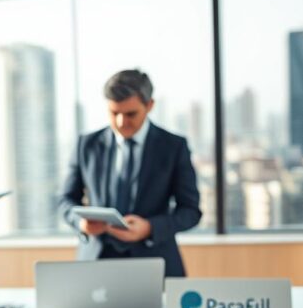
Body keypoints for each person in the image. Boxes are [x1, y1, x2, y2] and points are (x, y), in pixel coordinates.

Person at [58, 69, 201, 277]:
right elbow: (65, 200)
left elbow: (190, 211)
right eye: (114, 113)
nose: (121, 122)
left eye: (130, 114)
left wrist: (150, 228)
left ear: (150, 106)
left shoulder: (174, 147)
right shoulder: (86, 145)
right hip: (96, 264)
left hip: (155, 264)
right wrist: (80, 223)